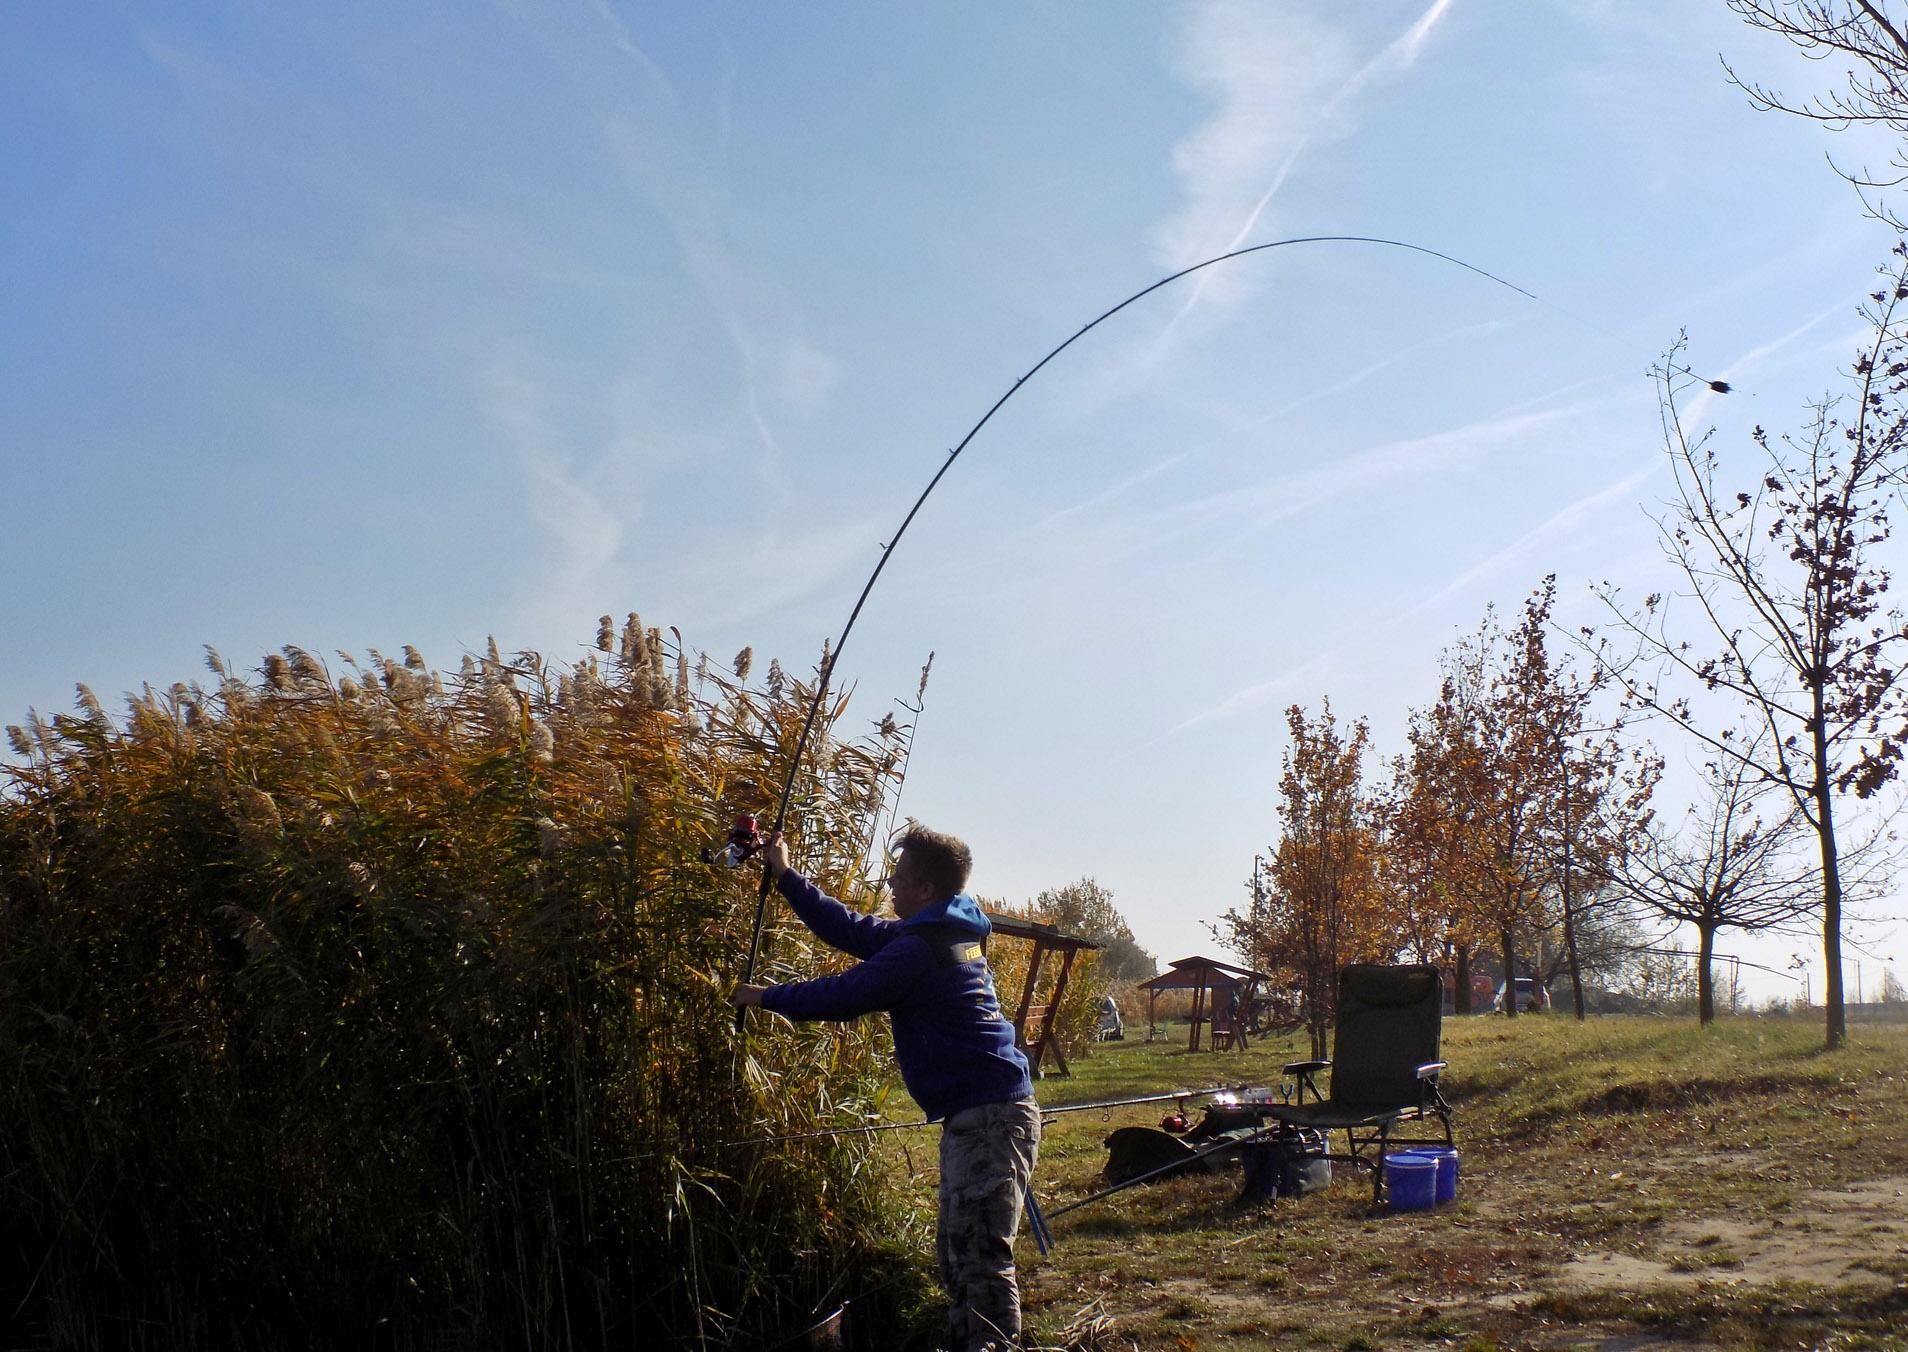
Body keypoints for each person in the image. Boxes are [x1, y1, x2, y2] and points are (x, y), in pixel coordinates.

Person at [730, 825, 1040, 1352]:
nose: (890, 886)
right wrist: (784, 876)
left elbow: (849, 993)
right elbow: (851, 929)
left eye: (898, 878)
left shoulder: (921, 948)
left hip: (990, 1119)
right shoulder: (940, 932)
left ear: (924, 889)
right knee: (958, 1255)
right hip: (985, 1113)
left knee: (979, 1260)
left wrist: (765, 997)